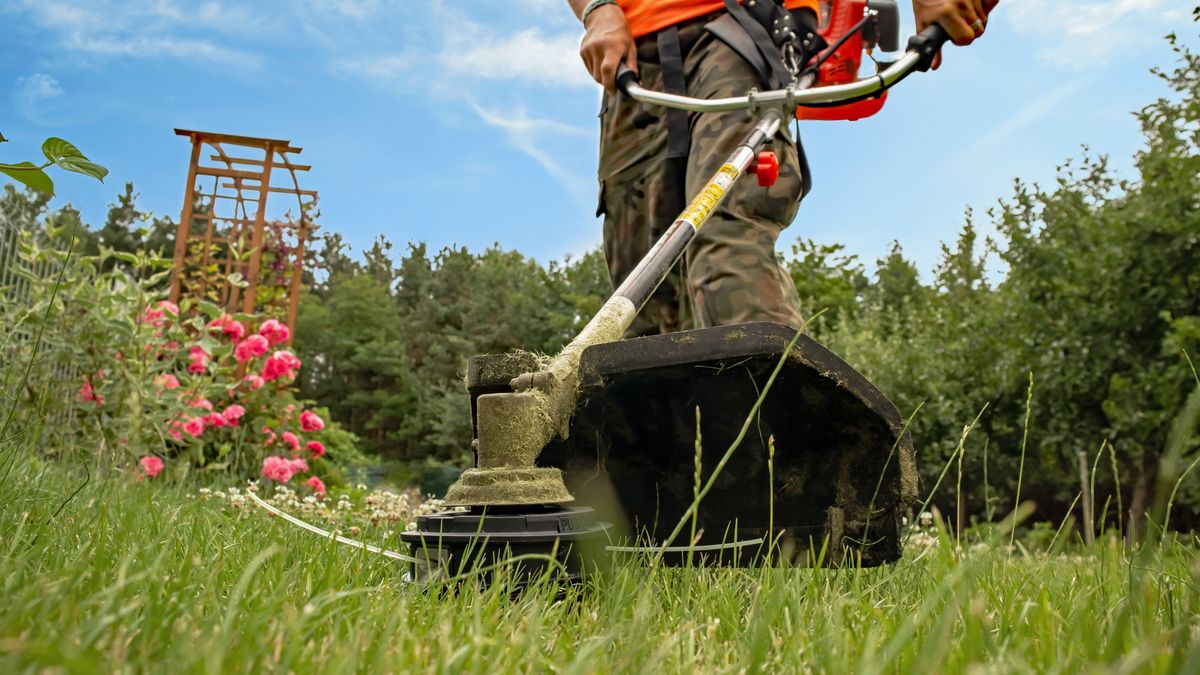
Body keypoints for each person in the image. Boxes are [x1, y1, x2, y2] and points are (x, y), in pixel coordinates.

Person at [568, 0, 997, 337]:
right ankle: (669, 445)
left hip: (738, 31)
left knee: (726, 240)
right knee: (638, 297)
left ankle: (778, 438)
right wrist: (598, 9)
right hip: (629, 64)